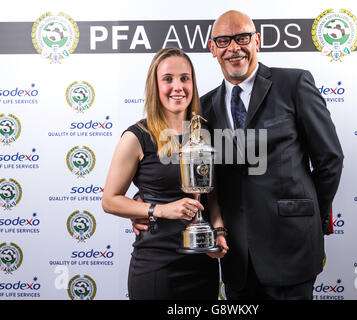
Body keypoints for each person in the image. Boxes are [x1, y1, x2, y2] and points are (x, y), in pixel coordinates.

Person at [134, 10, 343, 300]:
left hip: (291, 248)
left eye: (242, 38)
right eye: (223, 41)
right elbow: (193, 173)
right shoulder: (202, 109)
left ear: (257, 41)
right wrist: (143, 201)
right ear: (213, 49)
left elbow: (329, 159)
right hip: (236, 257)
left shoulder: (293, 84)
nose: (233, 47)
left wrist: (308, 217)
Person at [102, 47, 228, 300]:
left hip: (202, 263)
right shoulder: (137, 136)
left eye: (185, 78)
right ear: (154, 85)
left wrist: (219, 231)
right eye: (167, 79)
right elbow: (109, 200)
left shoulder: (206, 133)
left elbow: (211, 193)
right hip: (157, 265)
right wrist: (157, 209)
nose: (178, 87)